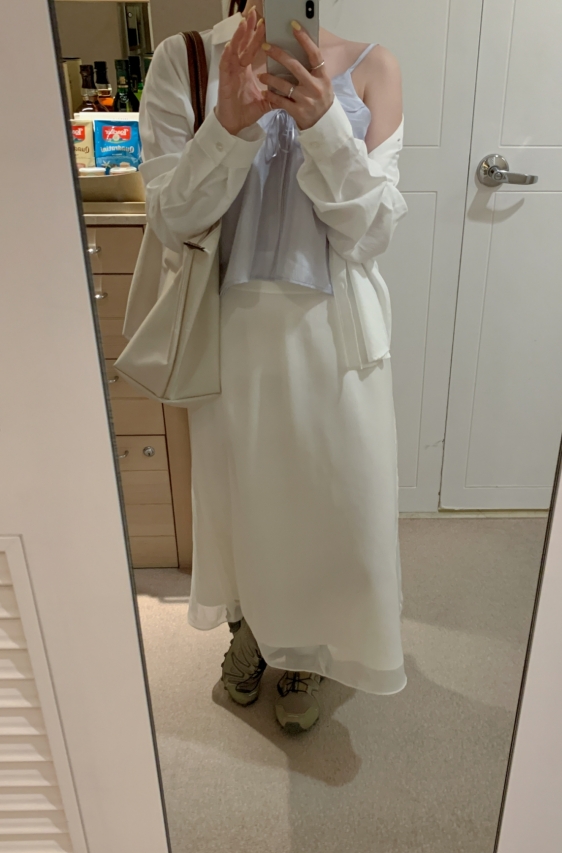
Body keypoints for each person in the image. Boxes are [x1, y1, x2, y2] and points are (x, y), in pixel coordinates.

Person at [138, 0, 408, 733]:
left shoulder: (375, 67)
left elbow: (372, 233)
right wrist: (225, 127)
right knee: (244, 503)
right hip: (232, 335)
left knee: (334, 504)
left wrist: (325, 127)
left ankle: (305, 653)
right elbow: (171, 219)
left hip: (338, 338)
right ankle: (254, 631)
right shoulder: (185, 61)